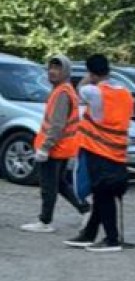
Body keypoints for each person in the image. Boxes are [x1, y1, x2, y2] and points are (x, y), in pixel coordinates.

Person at [64, 54, 133, 253]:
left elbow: (80, 89)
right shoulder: (125, 93)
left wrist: (90, 77)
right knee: (104, 193)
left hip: (98, 150)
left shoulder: (94, 92)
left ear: (91, 72)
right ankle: (89, 234)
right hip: (118, 151)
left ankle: (111, 239)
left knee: (103, 194)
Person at [21, 54, 89, 234]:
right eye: (50, 67)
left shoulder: (62, 93)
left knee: (49, 187)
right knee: (60, 185)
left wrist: (45, 147)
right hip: (62, 147)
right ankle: (86, 210)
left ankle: (45, 221)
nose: (52, 71)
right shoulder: (64, 90)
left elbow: (57, 125)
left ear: (65, 71)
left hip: (54, 148)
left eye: (57, 68)